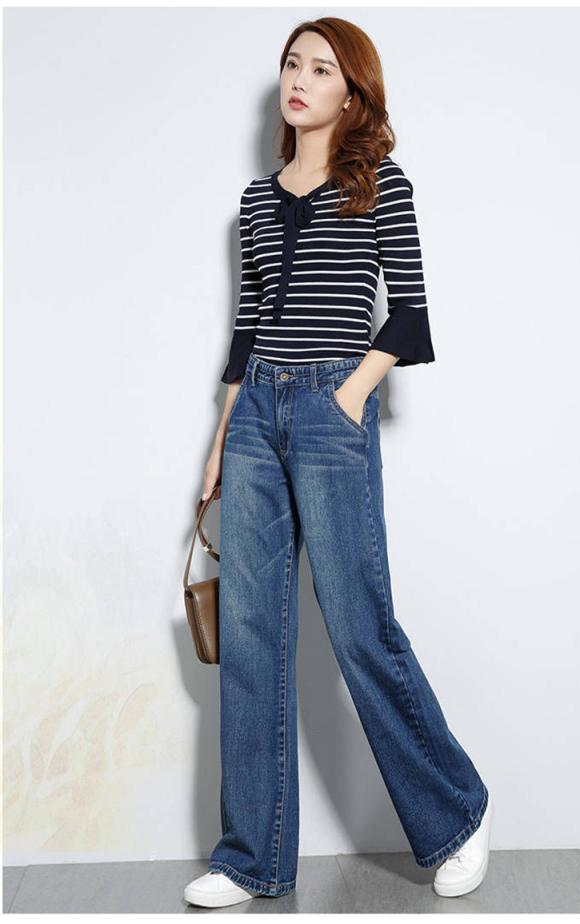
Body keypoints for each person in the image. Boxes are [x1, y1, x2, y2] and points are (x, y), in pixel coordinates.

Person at [184, 16, 493, 909]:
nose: (299, 78)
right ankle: (250, 858)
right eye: (293, 63)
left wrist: (350, 394)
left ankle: (457, 815)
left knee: (360, 625)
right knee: (250, 635)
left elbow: (412, 315)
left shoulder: (379, 184)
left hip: (330, 409)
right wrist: (221, 438)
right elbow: (247, 330)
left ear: (352, 95)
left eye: (322, 68)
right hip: (254, 419)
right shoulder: (255, 200)